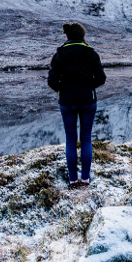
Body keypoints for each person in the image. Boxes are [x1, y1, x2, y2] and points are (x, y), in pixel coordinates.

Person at [47, 22, 106, 187]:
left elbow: (52, 81)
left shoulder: (59, 54)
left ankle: (73, 178)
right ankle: (85, 178)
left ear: (67, 36)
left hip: (67, 102)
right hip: (88, 100)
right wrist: (88, 87)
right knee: (86, 138)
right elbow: (101, 78)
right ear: (82, 36)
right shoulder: (91, 53)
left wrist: (62, 91)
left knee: (71, 139)